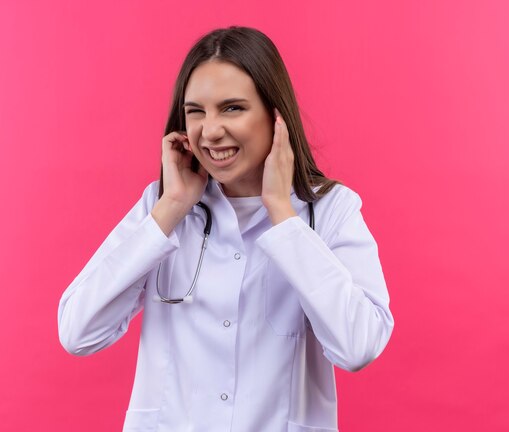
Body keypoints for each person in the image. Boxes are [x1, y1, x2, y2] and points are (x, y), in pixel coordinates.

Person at [58, 26, 394, 432]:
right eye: (196, 111)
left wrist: (282, 214)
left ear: (276, 115)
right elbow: (78, 332)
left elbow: (358, 346)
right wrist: (172, 208)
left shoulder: (330, 209)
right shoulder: (163, 207)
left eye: (232, 108)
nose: (210, 130)